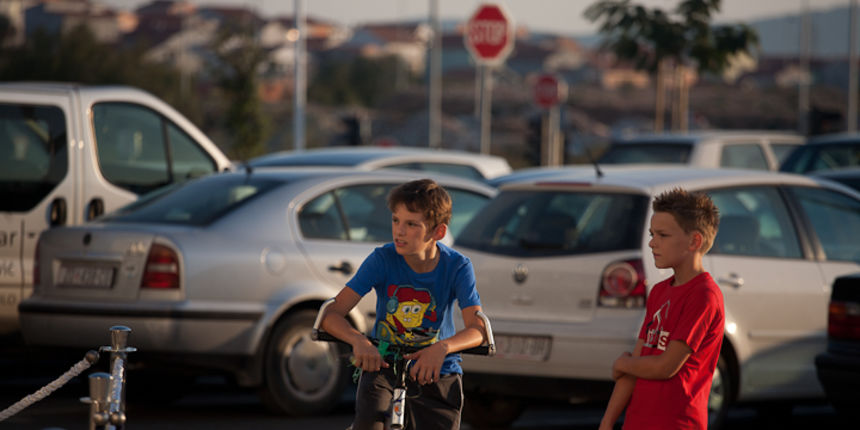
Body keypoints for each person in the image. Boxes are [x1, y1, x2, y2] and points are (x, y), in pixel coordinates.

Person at [321, 178, 487, 430]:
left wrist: (441, 348)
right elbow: (332, 314)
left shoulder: (457, 266)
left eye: (411, 224)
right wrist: (359, 341)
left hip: (437, 369)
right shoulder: (382, 259)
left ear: (437, 232)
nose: (399, 231)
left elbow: (478, 329)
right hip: (384, 365)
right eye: (395, 220)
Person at [600, 188, 724, 430]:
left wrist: (622, 363)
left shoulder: (704, 295)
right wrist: (606, 423)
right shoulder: (658, 291)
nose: (652, 242)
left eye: (663, 235)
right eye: (652, 234)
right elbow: (638, 362)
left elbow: (665, 367)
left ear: (694, 241)